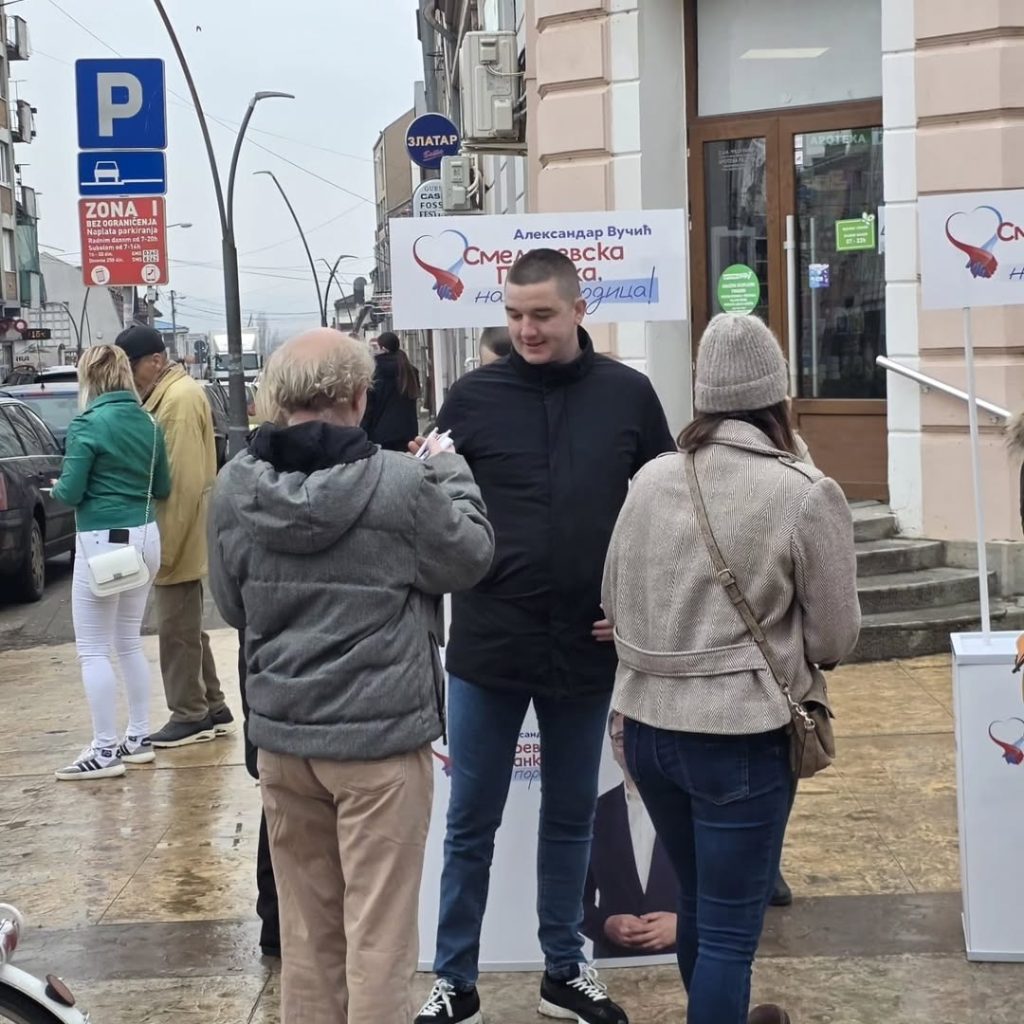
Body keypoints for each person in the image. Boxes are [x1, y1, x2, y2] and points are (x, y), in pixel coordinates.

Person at [414, 249, 675, 1024]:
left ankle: (566, 969)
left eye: (542, 315)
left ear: (578, 308)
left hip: (588, 645)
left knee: (569, 816)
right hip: (490, 643)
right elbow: (433, 506)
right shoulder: (470, 398)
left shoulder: (628, 395)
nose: (526, 330)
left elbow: (664, 514)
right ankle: (454, 982)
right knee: (470, 822)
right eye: (515, 315)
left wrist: (637, 607)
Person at [208, 328, 494, 1024]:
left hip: (285, 742)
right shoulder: (403, 483)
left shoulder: (234, 488)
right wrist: (450, 470)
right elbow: (471, 558)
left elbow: (230, 604)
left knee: (307, 936)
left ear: (278, 398)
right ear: (360, 396)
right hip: (381, 744)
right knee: (380, 935)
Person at [601, 313, 861, 1024]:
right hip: (740, 737)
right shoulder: (804, 491)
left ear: (703, 394)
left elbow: (612, 601)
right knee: (726, 935)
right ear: (779, 395)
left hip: (648, 728)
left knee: (696, 901)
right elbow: (837, 635)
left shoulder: (651, 480)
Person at [52, 345, 171, 780]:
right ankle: (138, 738)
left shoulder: (87, 424)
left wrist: (57, 489)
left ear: (90, 379)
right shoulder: (149, 422)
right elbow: (164, 486)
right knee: (128, 641)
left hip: (101, 541)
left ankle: (104, 750)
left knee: (93, 649)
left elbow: (70, 491)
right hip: (144, 537)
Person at [116, 325, 232, 747]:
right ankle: (213, 705)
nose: (130, 377)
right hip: (182, 525)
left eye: (131, 367)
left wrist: (164, 546)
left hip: (178, 528)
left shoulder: (178, 402)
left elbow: (181, 482)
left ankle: (189, 713)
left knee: (175, 628)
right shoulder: (170, 397)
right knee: (186, 625)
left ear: (156, 361)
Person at [582, 712, 678, 959]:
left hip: (687, 963)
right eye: (622, 738)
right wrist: (605, 925)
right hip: (614, 968)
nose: (632, 744)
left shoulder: (696, 807)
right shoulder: (591, 815)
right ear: (613, 749)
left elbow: (733, 892)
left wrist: (686, 925)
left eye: (641, 735)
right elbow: (570, 901)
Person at [361, 330, 421, 450]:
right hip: (408, 434)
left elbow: (369, 408)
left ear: (383, 348)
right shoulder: (410, 370)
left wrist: (363, 434)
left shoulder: (374, 372)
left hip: (380, 435)